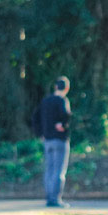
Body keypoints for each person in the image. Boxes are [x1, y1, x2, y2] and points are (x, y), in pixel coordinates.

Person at [40, 76, 72, 207]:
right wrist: (63, 125)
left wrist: (41, 133)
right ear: (67, 88)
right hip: (59, 140)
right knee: (59, 170)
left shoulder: (45, 101)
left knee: (49, 169)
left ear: (55, 87)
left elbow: (36, 117)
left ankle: (49, 197)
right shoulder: (62, 100)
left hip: (47, 140)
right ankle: (55, 199)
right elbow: (67, 116)